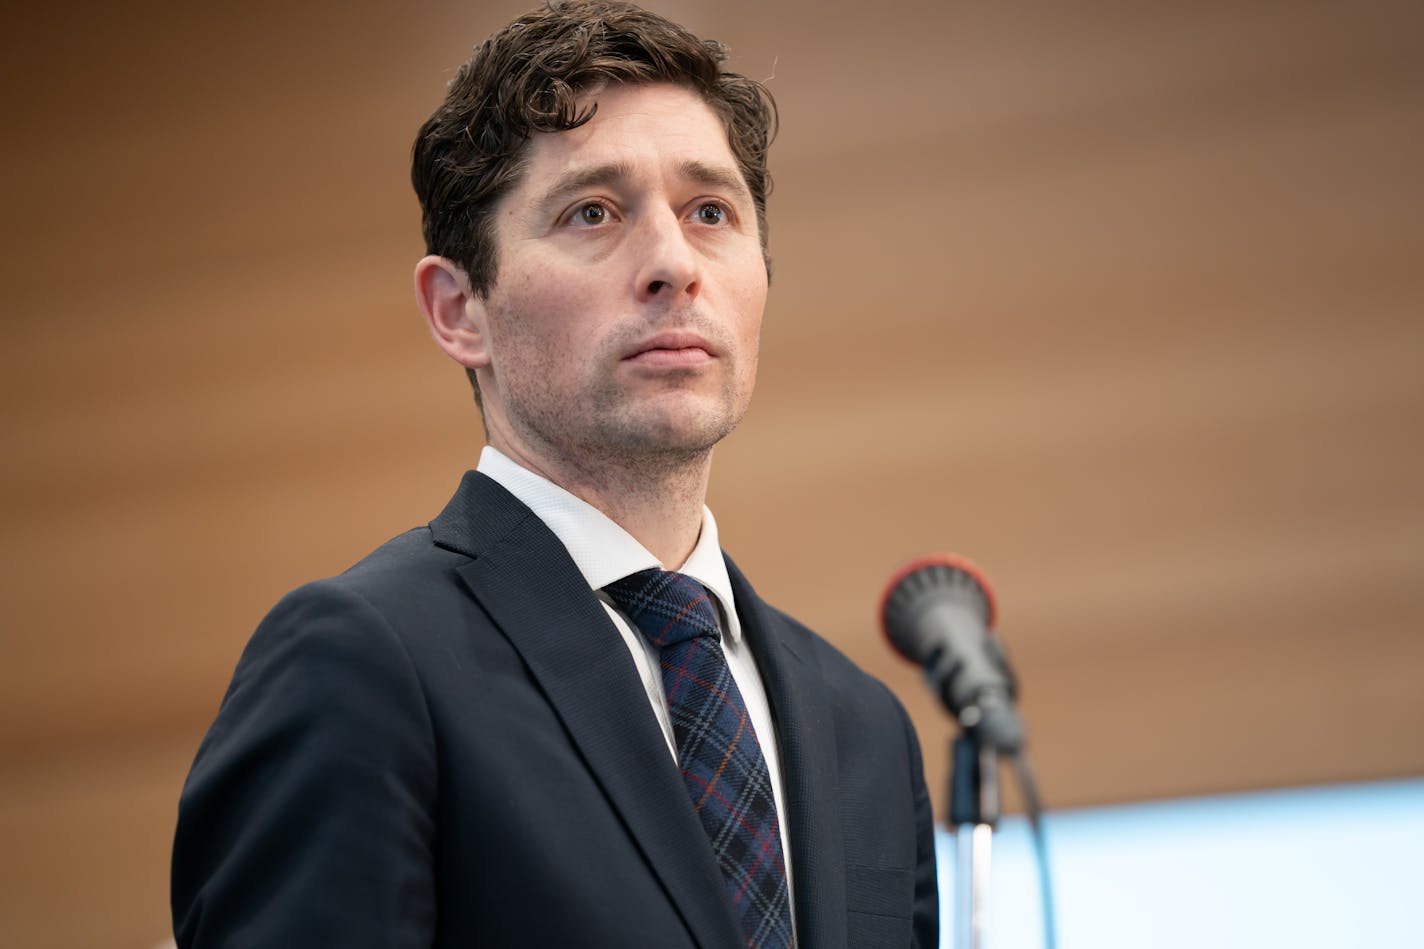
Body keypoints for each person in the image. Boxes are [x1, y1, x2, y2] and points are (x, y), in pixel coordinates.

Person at [170, 2, 939, 947]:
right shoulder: (361, 661)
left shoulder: (862, 726)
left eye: (711, 212)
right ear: (461, 309)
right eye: (592, 212)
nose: (672, 263)